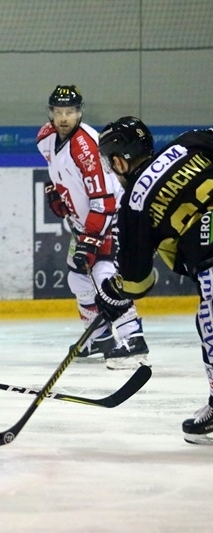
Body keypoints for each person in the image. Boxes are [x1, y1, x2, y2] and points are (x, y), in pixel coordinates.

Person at [95, 117, 213, 444]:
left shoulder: (134, 203)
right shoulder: (188, 142)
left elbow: (137, 282)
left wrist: (112, 293)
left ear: (119, 160)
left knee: (209, 322)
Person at [36, 85, 149, 370]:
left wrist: (90, 241)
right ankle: (99, 338)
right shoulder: (47, 138)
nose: (64, 118)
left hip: (109, 217)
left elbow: (104, 200)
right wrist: (58, 193)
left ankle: (132, 337)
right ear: (50, 113)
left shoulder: (85, 145)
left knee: (103, 273)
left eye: (70, 112)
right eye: (59, 112)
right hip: (83, 222)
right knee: (78, 279)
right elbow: (60, 173)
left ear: (80, 112)